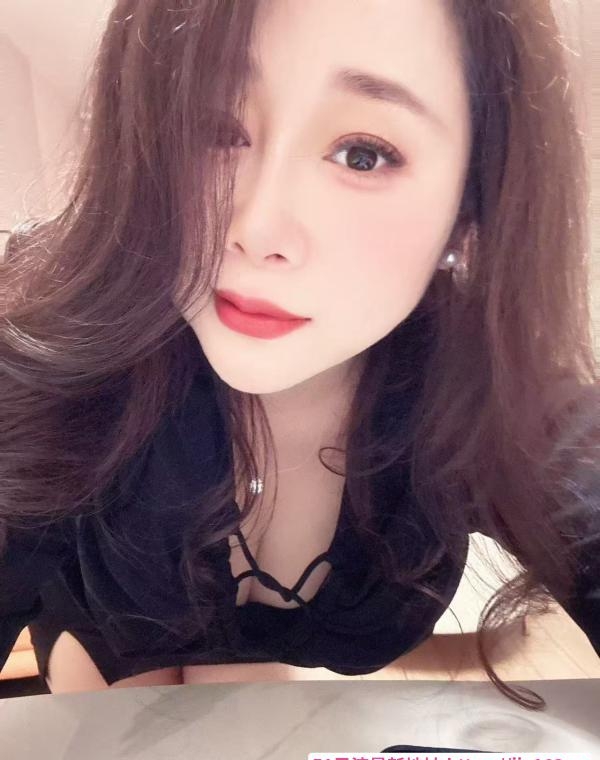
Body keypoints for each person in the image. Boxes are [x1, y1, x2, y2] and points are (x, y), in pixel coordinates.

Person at [1, 0, 598, 709]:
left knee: (245, 721)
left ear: (471, 205)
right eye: (212, 128)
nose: (258, 229)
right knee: (116, 725)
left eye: (364, 154)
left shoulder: (490, 396)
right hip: (107, 633)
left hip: (266, 659)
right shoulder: (64, 356)